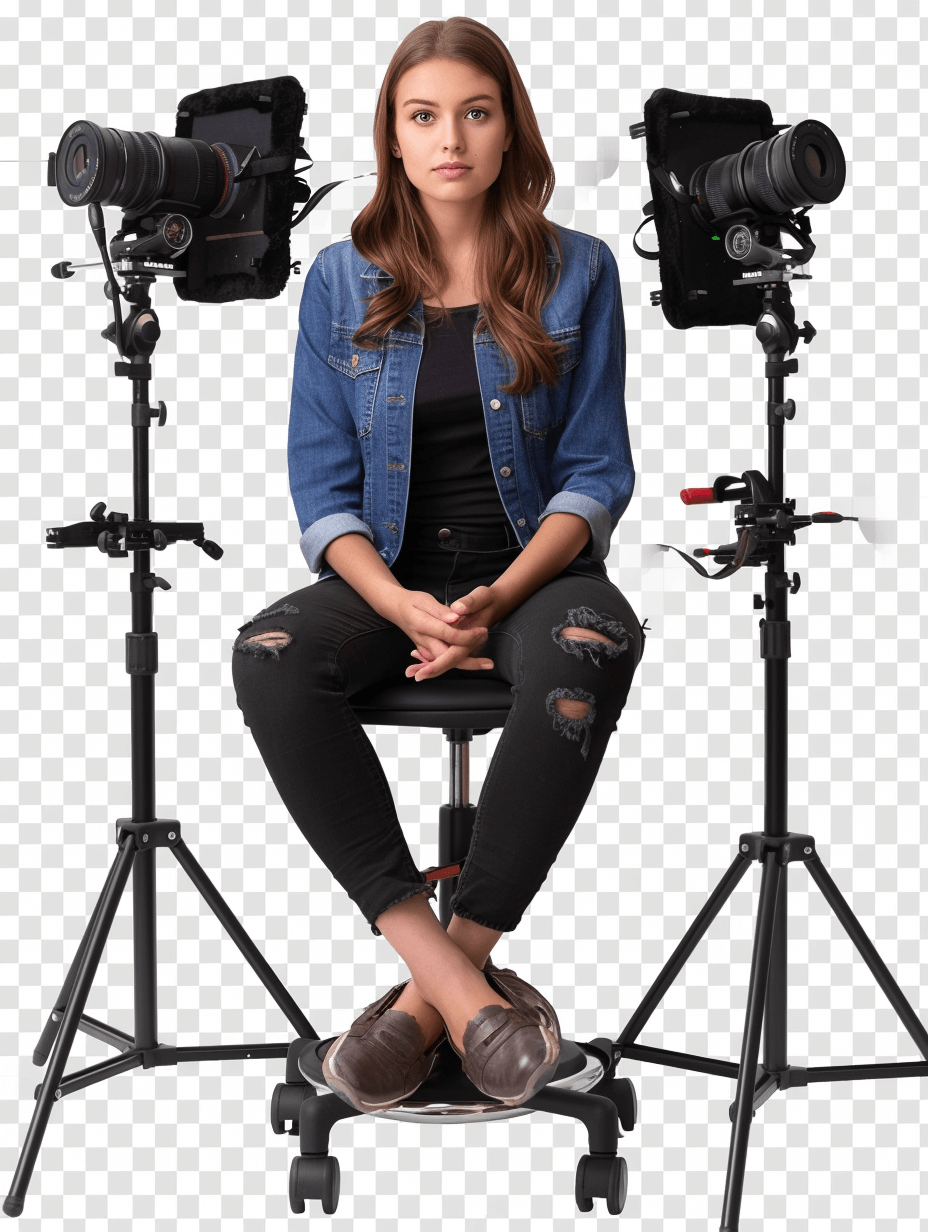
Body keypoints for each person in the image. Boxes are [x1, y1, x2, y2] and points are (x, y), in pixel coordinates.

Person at [231, 16, 645, 1115]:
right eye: (423, 117)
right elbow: (321, 492)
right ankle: (462, 987)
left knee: (586, 638)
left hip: (533, 571)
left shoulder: (579, 270)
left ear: (509, 130)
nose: (449, 137)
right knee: (271, 656)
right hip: (390, 570)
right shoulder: (340, 278)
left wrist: (499, 595)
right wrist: (402, 602)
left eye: (475, 110)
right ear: (394, 139)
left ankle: (420, 1007)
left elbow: (596, 473)